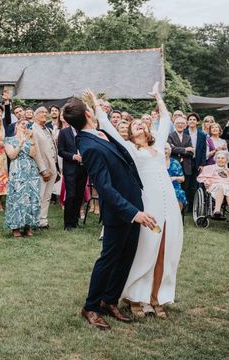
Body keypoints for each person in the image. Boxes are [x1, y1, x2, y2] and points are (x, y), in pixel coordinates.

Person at [64, 95, 156, 330]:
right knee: (108, 259)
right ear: (87, 115)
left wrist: (94, 102)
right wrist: (133, 213)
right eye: (90, 109)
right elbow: (104, 188)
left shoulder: (99, 133)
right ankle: (91, 306)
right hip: (120, 211)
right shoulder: (88, 146)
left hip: (133, 202)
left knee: (126, 256)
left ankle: (110, 300)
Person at [92, 86, 183, 319]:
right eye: (134, 126)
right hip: (148, 204)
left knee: (165, 248)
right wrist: (96, 104)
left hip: (169, 205)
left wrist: (157, 96)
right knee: (146, 249)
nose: (140, 125)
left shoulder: (158, 144)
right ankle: (135, 296)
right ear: (130, 134)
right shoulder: (130, 149)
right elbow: (110, 128)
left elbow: (165, 118)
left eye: (141, 124)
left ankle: (156, 297)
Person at [4, 119, 40, 237]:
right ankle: (15, 227)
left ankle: (28, 226)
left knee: (30, 198)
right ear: (17, 126)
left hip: (31, 172)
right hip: (17, 172)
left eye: (27, 124)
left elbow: (34, 154)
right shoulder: (9, 140)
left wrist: (32, 139)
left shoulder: (30, 140)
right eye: (22, 124)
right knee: (17, 198)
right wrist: (21, 143)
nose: (25, 126)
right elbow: (12, 155)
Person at [58, 122, 88, 231]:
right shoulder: (64, 132)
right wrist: (73, 156)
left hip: (83, 168)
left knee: (79, 196)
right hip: (70, 168)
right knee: (71, 195)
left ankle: (75, 221)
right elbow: (60, 151)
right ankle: (68, 223)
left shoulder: (85, 132)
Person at [32, 107, 58, 229]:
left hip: (53, 167)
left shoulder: (48, 129)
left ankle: (43, 220)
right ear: (35, 115)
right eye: (41, 112)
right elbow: (36, 151)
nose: (44, 114)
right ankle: (35, 220)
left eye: (45, 112)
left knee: (47, 196)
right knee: (39, 195)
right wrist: (43, 169)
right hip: (42, 169)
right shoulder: (33, 129)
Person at [197, 151, 229, 218]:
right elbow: (201, 177)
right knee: (221, 187)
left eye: (223, 158)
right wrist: (206, 181)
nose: (220, 160)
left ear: (227, 160)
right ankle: (217, 210)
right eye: (218, 158)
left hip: (228, 187)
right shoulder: (208, 168)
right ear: (215, 159)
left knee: (227, 188)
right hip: (214, 187)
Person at [168, 117, 195, 212]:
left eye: (182, 123)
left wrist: (178, 150)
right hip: (174, 167)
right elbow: (170, 149)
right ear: (174, 124)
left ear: (185, 125)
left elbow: (191, 152)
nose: (180, 125)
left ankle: (182, 210)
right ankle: (173, 210)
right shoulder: (170, 136)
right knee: (173, 188)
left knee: (185, 188)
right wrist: (185, 150)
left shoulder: (188, 137)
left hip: (186, 166)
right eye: (178, 123)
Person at [165, 143, 186, 210]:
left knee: (178, 194)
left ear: (170, 150)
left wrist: (174, 178)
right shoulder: (158, 163)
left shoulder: (175, 162)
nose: (165, 151)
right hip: (162, 186)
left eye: (166, 149)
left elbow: (182, 179)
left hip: (174, 187)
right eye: (163, 149)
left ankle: (177, 216)